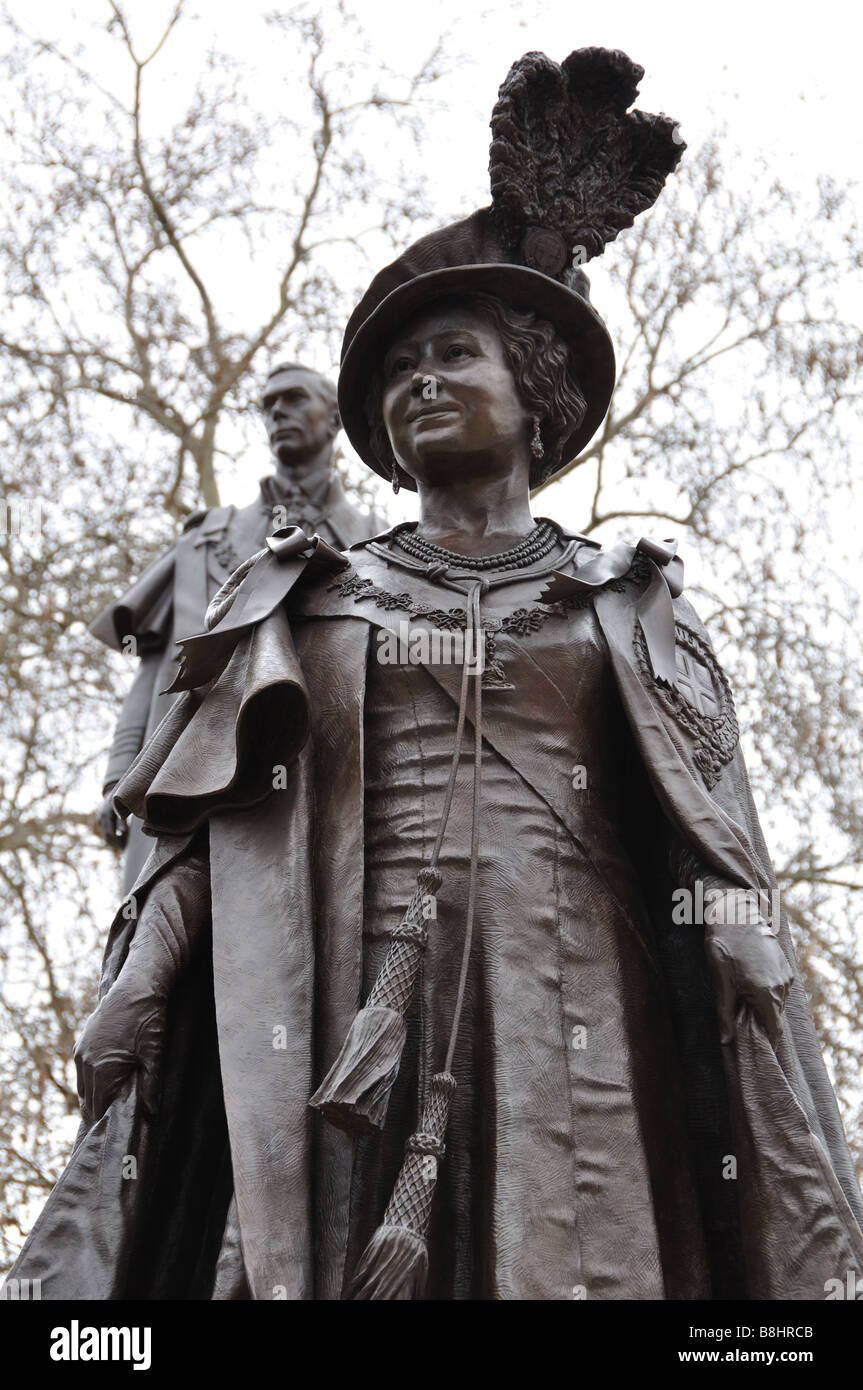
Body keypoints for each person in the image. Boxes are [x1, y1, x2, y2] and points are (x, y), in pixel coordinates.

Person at [8, 46, 862, 1301]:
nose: (419, 385)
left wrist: (751, 988)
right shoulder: (305, 595)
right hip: (346, 1000)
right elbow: (200, 825)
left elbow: (713, 846)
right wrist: (136, 987)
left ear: (534, 390)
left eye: (451, 356)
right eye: (399, 372)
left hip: (575, 998)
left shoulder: (624, 601)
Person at [91, 361, 386, 889]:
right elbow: (154, 667)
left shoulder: (377, 544)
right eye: (267, 405)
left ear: (335, 419)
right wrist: (119, 774)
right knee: (160, 956)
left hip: (329, 778)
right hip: (184, 779)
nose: (277, 413)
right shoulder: (205, 538)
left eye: (293, 399)